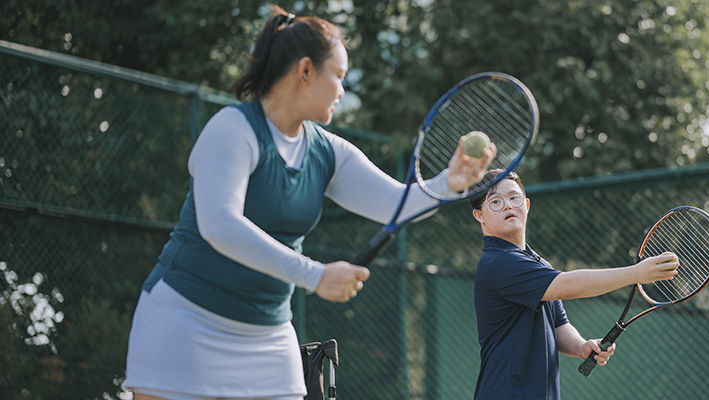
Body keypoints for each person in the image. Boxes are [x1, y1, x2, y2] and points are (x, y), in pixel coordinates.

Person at [124, 6, 495, 400]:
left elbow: (395, 204)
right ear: (304, 72)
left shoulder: (328, 152)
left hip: (268, 337)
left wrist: (448, 184)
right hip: (184, 323)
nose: (342, 89)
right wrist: (315, 275)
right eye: (338, 76)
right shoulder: (232, 128)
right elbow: (219, 223)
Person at [469, 170, 678, 399]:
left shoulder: (536, 262)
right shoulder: (499, 262)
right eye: (495, 201)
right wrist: (635, 273)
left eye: (514, 197)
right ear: (479, 215)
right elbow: (567, 285)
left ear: (526, 204)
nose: (508, 205)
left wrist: (580, 346)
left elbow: (558, 324)